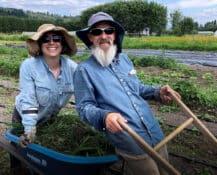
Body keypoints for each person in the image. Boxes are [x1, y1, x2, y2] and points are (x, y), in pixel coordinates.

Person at [74, 12, 181, 175]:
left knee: (167, 170)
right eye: (97, 32)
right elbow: (84, 108)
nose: (103, 36)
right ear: (90, 37)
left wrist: (158, 91)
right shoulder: (84, 70)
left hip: (154, 131)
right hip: (130, 140)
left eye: (108, 30)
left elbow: (137, 88)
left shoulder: (124, 60)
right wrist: (105, 116)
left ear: (114, 34)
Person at [11, 24, 77, 174]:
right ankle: (15, 168)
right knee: (17, 145)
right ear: (39, 45)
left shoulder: (72, 68)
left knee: (43, 149)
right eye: (46, 39)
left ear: (62, 43)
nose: (51, 42)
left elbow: (83, 96)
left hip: (50, 117)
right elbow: (28, 99)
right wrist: (29, 129)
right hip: (24, 116)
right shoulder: (29, 66)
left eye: (56, 38)